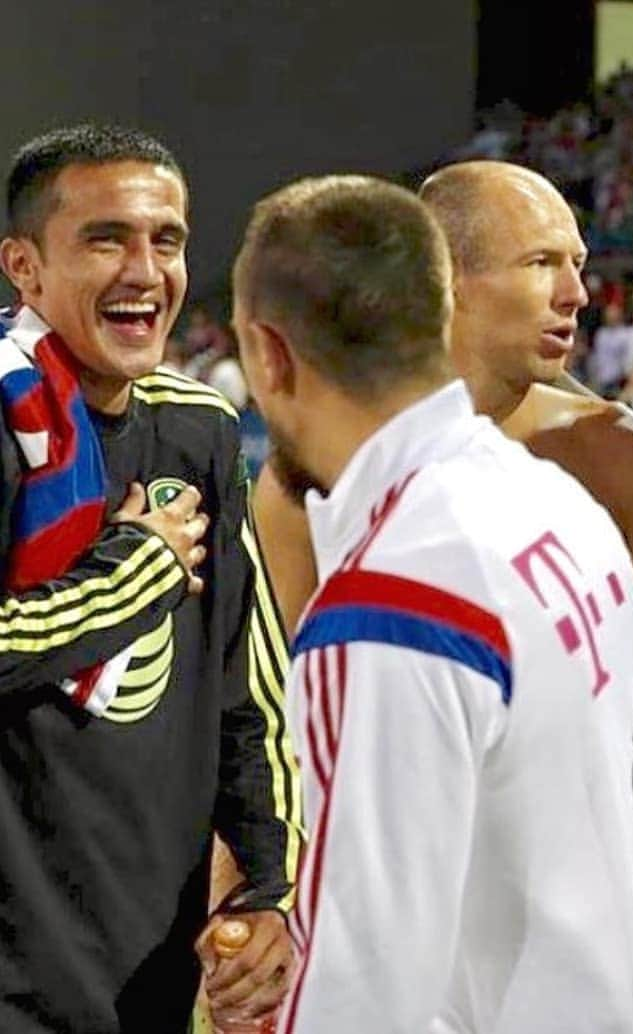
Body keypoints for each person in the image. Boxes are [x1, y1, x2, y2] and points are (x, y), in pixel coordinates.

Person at [253, 161, 633, 1032]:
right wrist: (254, 902)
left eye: (576, 262)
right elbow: (301, 741)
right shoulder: (544, 503)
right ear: (446, 280)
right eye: (543, 262)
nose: (578, 293)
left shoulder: (592, 469)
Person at [0, 124, 301, 1033]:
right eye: (105, 239)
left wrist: (263, 885)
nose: (145, 270)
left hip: (146, 971)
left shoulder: (198, 430)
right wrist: (137, 573)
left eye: (165, 240)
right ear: (24, 266)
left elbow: (250, 686)